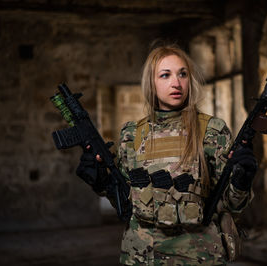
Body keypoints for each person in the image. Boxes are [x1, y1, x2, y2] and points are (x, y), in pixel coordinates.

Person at [76, 44, 257, 265]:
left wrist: (242, 180)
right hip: (142, 256)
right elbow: (126, 204)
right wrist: (100, 181)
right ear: (151, 83)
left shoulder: (212, 130)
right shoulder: (132, 134)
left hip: (200, 256)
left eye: (183, 74)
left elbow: (231, 205)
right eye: (165, 75)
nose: (176, 83)